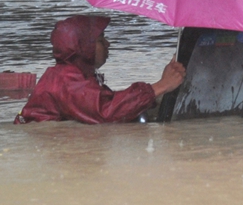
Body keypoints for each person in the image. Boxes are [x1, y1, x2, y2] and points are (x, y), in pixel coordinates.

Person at [15, 15, 186, 124]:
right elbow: (106, 111)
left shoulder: (72, 74)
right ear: (81, 46)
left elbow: (105, 101)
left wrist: (158, 94)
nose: (107, 44)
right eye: (100, 39)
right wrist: (160, 86)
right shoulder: (66, 79)